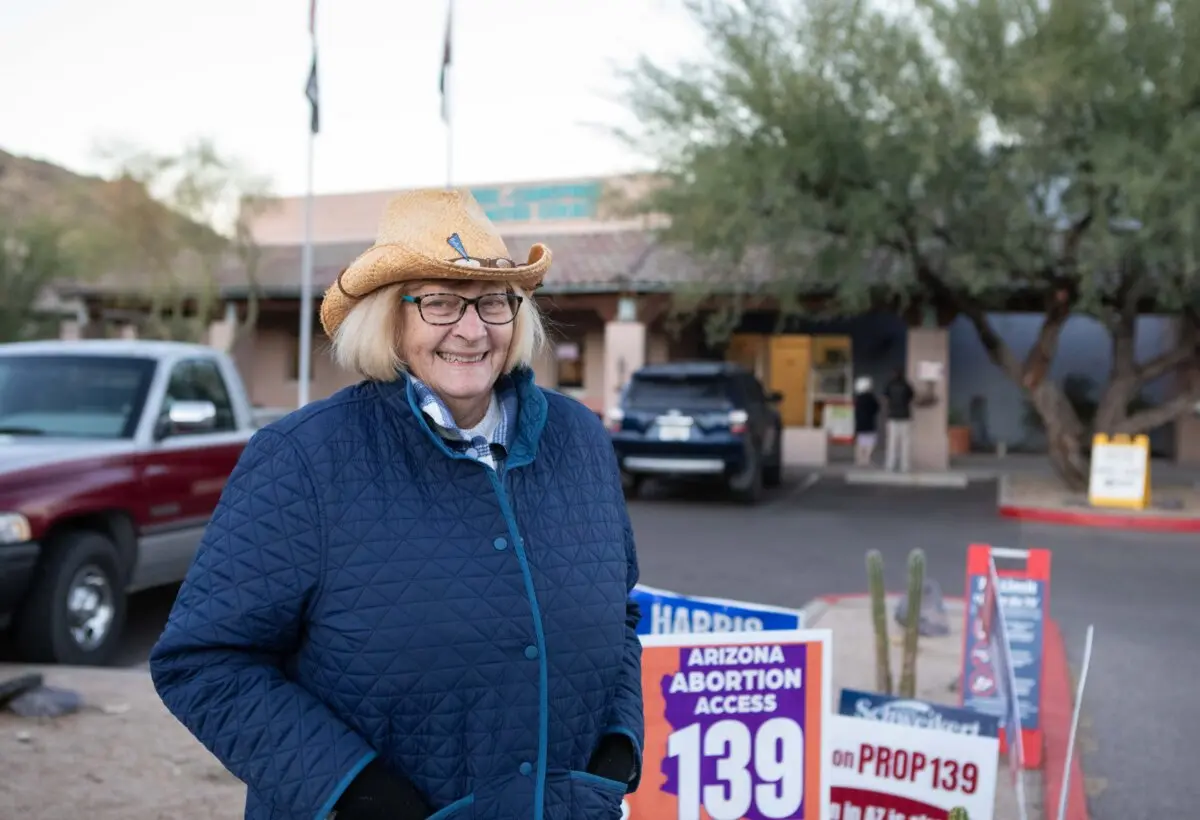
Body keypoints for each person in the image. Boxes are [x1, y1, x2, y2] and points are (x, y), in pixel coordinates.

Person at [149, 189, 645, 820]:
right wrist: (355, 792)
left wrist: (618, 748)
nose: (472, 330)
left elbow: (620, 613)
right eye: (439, 302)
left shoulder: (579, 438)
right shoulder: (302, 458)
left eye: (493, 302)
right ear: (391, 316)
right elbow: (203, 661)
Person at [882, 367, 916, 472]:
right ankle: (905, 465)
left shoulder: (889, 385)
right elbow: (911, 397)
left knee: (892, 441)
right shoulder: (907, 385)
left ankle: (890, 465)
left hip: (892, 416)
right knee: (905, 442)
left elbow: (885, 398)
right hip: (905, 416)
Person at [852, 376, 880, 467]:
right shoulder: (871, 398)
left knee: (860, 442)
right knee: (869, 442)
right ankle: (867, 459)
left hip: (860, 423)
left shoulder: (858, 399)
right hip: (870, 423)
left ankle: (860, 459)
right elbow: (876, 408)